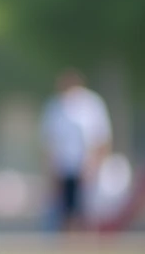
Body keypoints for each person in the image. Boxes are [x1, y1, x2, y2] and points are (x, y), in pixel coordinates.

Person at [40, 69, 112, 232]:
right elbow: (49, 141)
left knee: (87, 211)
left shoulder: (91, 104)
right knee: (66, 210)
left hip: (86, 166)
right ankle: (69, 239)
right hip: (64, 167)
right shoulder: (54, 106)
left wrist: (97, 164)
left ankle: (85, 239)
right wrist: (50, 168)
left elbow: (101, 137)